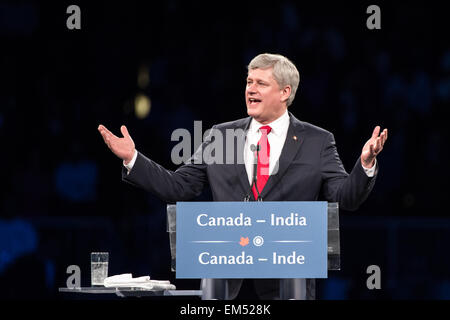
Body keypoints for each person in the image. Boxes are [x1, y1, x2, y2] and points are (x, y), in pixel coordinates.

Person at [98, 53, 388, 300]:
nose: (251, 89)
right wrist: (132, 158)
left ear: (285, 92)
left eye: (261, 83)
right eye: (249, 82)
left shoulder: (317, 141)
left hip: (286, 282)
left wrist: (365, 165)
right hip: (224, 281)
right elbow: (179, 186)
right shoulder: (220, 136)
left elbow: (344, 198)